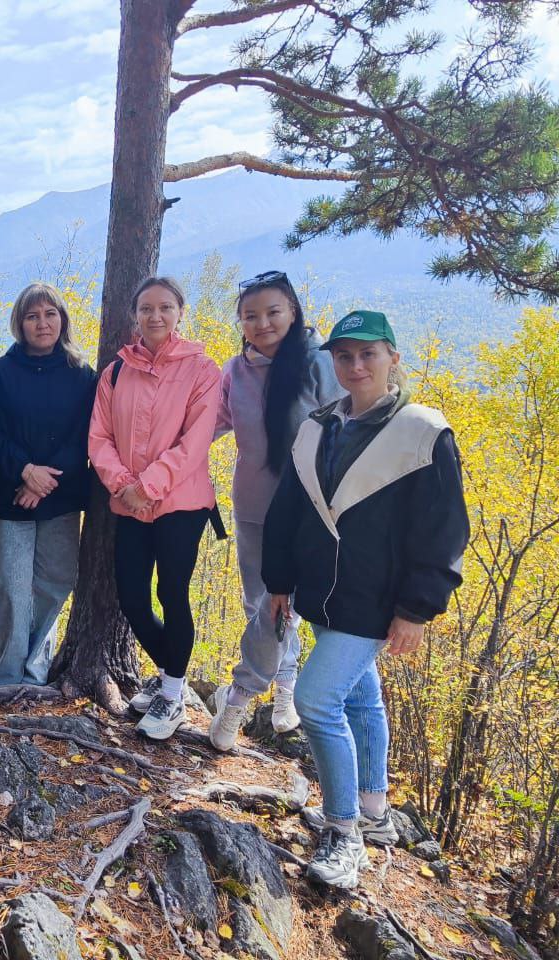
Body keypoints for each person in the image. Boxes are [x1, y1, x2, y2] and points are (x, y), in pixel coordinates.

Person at [263, 310, 469, 889]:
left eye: (369, 354)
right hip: (323, 595)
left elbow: (444, 530)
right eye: (344, 355)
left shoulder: (423, 432)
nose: (356, 366)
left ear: (393, 358)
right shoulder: (319, 426)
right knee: (360, 699)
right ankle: (374, 809)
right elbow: (289, 512)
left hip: (375, 601)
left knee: (316, 700)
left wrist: (416, 611)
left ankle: (343, 831)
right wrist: (279, 581)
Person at [208, 271, 345, 751]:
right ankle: (284, 687)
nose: (262, 323)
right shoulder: (235, 371)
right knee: (260, 604)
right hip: (253, 504)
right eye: (251, 315)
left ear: (293, 311)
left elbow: (343, 430)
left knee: (277, 607)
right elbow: (212, 423)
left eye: (273, 312)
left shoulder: (318, 362)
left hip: (310, 511)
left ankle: (240, 696)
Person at [89, 276, 221, 740]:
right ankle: (172, 678)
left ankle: (171, 694)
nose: (156, 316)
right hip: (128, 503)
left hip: (181, 504)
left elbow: (196, 442)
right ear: (135, 315)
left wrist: (149, 485)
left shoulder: (204, 371)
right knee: (130, 596)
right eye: (146, 308)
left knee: (172, 595)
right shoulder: (117, 371)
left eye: (165, 307)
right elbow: (99, 437)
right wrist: (125, 484)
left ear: (180, 312)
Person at [0, 282, 96, 686]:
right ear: (20, 323)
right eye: (33, 316)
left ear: (62, 319)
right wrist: (25, 471)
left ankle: (36, 669)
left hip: (61, 496)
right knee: (12, 587)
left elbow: (86, 434)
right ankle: (9, 670)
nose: (42, 322)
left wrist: (43, 480)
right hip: (11, 493)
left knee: (56, 581)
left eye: (50, 314)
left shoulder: (82, 374)